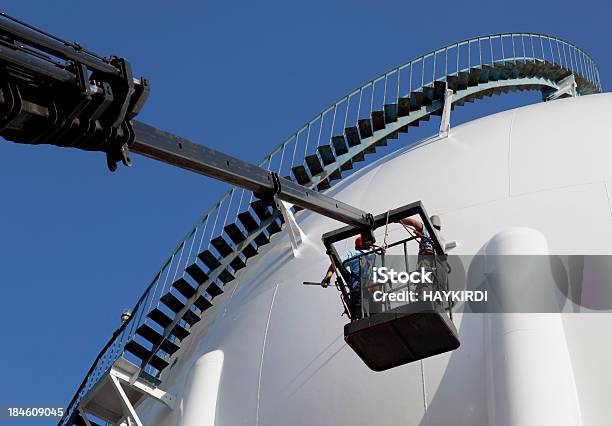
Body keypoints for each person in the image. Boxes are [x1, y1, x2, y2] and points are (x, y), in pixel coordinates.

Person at [322, 235, 375, 318]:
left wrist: (327, 278)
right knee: (375, 311)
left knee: (361, 313)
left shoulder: (353, 254)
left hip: (359, 289)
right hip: (372, 288)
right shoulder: (373, 255)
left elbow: (335, 264)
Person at [398, 215, 446, 294]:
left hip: (426, 258)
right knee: (431, 280)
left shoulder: (429, 230)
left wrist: (399, 220)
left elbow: (414, 223)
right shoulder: (442, 237)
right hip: (437, 263)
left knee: (424, 279)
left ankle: (423, 296)